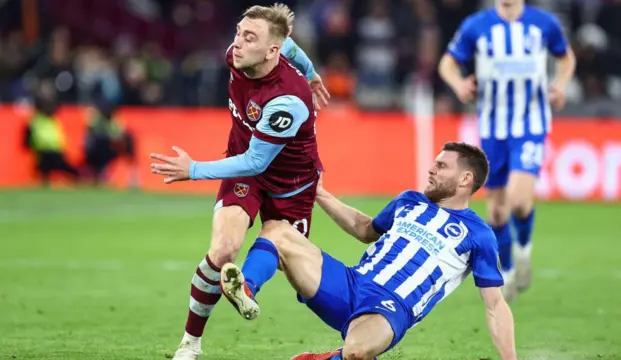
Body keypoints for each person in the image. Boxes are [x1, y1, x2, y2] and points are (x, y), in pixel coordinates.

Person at [148, 4, 330, 359]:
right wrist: (313, 71)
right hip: (245, 173)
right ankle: (190, 344)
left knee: (290, 263)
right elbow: (288, 45)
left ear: (270, 51)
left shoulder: (288, 101)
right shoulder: (238, 55)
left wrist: (194, 170)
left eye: (250, 37)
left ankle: (247, 287)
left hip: (291, 185)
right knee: (222, 250)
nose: (238, 43)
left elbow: (259, 159)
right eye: (238, 32)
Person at [222, 142, 517, 360]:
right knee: (277, 230)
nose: (431, 169)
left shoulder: (479, 234)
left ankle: (332, 357)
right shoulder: (409, 201)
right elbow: (366, 229)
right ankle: (246, 288)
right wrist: (321, 194)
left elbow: (495, 305)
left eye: (442, 166)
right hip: (350, 283)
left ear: (465, 180)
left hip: (391, 308)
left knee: (357, 352)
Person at [438, 0, 576, 301]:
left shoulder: (544, 24)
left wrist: (561, 84)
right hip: (492, 127)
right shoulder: (477, 26)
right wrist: (459, 84)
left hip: (531, 123)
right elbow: (446, 63)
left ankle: (524, 248)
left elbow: (566, 58)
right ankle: (511, 268)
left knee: (518, 200)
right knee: (497, 211)